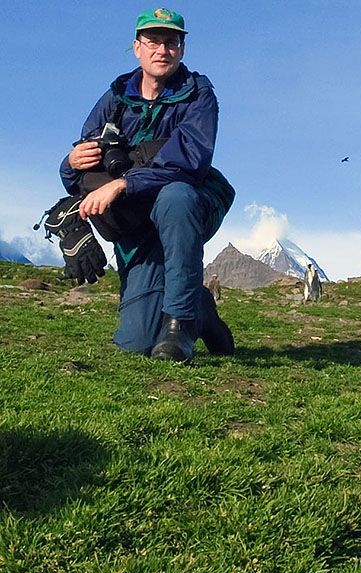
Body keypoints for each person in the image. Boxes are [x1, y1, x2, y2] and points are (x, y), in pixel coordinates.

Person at [59, 8, 234, 362]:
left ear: (182, 49)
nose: (162, 50)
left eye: (171, 42)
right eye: (153, 41)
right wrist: (69, 164)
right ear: (137, 47)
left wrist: (122, 184)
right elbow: (87, 165)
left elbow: (188, 162)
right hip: (138, 222)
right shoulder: (116, 97)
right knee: (136, 342)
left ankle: (182, 323)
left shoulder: (198, 95)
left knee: (176, 195)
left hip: (190, 204)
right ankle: (199, 304)